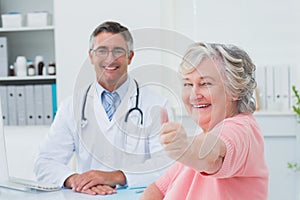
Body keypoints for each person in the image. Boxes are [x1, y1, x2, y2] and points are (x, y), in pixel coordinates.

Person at [34, 21, 173, 196]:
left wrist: (117, 176)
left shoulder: (156, 104)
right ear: (91, 56)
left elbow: (167, 164)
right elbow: (45, 162)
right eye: (102, 51)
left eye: (118, 51)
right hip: (87, 195)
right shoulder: (72, 106)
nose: (110, 58)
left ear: (130, 56)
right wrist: (74, 179)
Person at [140, 42, 269, 199]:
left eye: (205, 83)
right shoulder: (201, 138)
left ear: (235, 90)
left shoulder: (242, 129)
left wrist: (184, 147)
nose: (194, 94)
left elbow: (212, 155)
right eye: (188, 84)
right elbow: (158, 189)